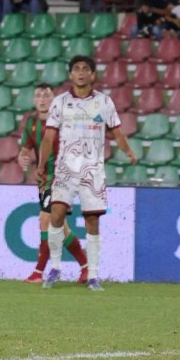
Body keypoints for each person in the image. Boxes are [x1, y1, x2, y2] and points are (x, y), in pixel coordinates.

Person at [36, 56, 138, 291]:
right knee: (56, 215)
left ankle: (93, 275)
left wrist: (128, 151)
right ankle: (56, 268)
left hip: (93, 170)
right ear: (71, 74)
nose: (80, 73)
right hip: (65, 169)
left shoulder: (104, 102)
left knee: (92, 220)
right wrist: (42, 165)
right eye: (76, 69)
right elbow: (49, 136)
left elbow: (117, 131)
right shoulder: (60, 102)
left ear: (92, 75)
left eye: (85, 69)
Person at [16, 83, 88, 284]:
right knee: (60, 228)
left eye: (46, 95)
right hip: (44, 181)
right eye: (38, 95)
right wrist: (22, 158)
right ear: (33, 100)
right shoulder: (31, 123)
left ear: (53, 100)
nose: (42, 99)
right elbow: (25, 151)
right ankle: (86, 267)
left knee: (45, 220)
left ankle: (38, 272)